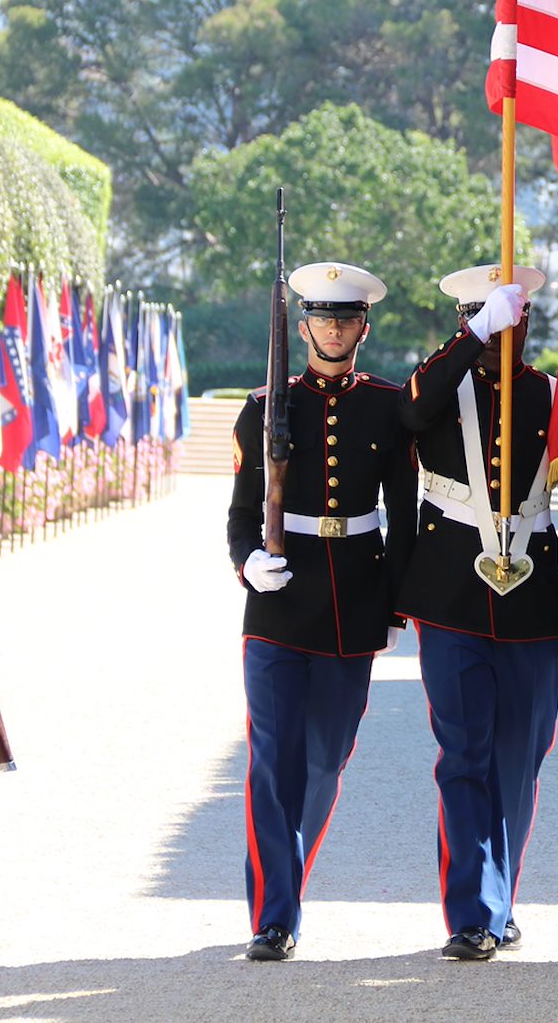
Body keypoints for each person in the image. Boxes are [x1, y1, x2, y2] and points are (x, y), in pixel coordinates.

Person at [226, 260, 413, 963]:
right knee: (274, 760)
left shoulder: (387, 406)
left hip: (353, 600)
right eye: (322, 317)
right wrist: (248, 560)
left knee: (327, 760)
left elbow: (404, 514)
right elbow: (241, 514)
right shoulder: (263, 404)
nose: (334, 328)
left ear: (363, 325)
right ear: (302, 325)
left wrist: (396, 604)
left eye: (347, 317)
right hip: (277, 605)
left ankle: (286, 877)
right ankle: (276, 914)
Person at [396, 265, 558, 963]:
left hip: (531, 597)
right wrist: (470, 335)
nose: (505, 327)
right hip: (451, 593)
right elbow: (411, 412)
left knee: (520, 760)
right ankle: (473, 912)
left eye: (511, 314)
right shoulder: (441, 383)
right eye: (487, 314)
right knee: (464, 754)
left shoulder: (552, 395)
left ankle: (500, 897)